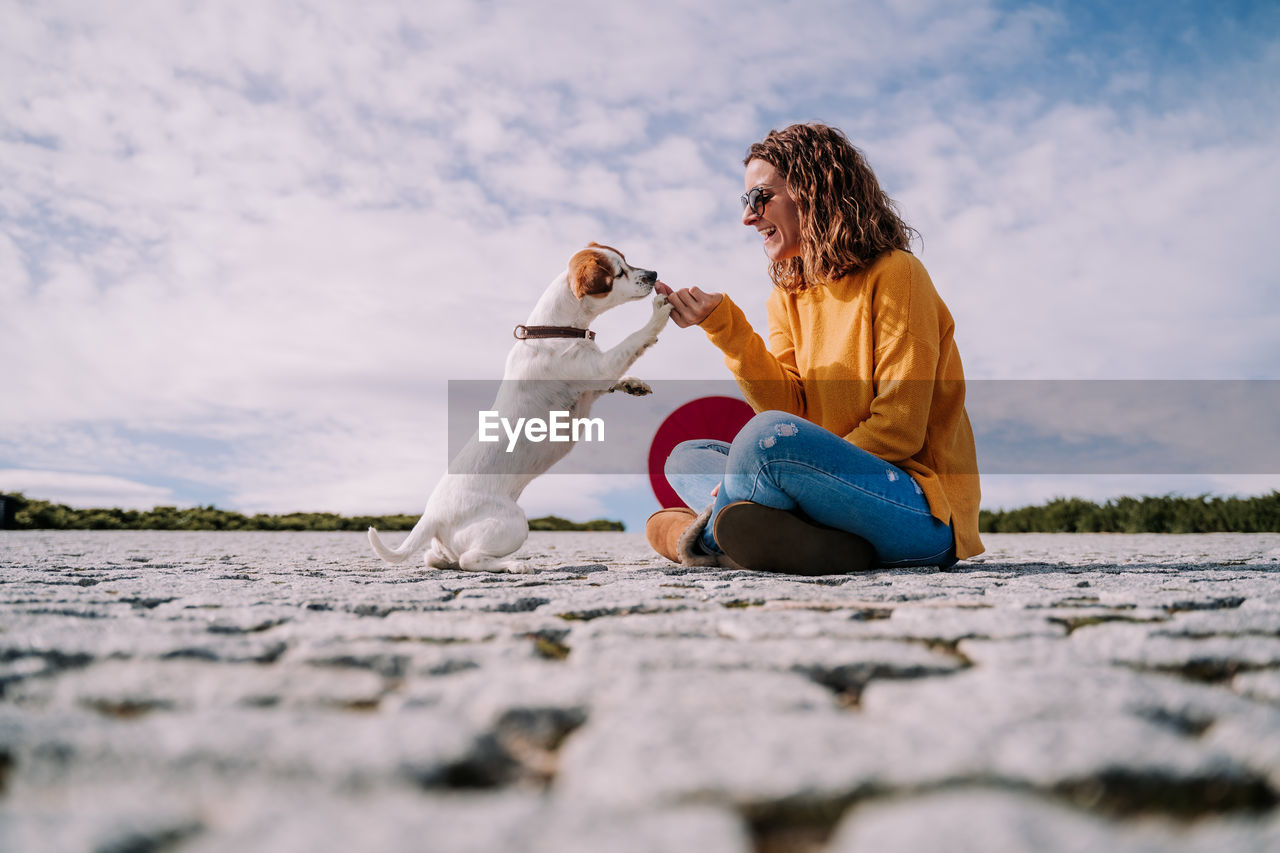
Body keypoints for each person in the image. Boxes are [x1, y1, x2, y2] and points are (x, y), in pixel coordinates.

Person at [647, 122, 982, 574]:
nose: (748, 216)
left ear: (813, 190)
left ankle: (695, 539)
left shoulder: (898, 274)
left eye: (759, 197)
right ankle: (817, 541)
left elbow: (900, 429)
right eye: (745, 201)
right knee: (687, 459)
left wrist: (798, 471)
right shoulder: (788, 296)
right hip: (829, 495)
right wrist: (720, 325)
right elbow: (789, 407)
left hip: (918, 510)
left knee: (763, 444)